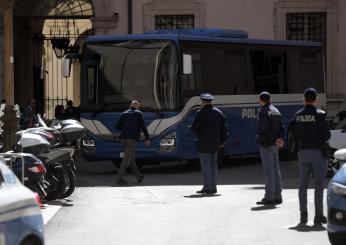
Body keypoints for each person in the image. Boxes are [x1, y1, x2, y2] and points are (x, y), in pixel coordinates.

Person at [289, 88, 331, 225]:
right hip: (318, 152)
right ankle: (318, 215)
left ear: (304, 99)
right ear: (316, 100)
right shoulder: (320, 115)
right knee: (319, 185)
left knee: (303, 185)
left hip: (303, 152)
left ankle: (303, 215)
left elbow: (293, 135)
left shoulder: (297, 115)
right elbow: (327, 135)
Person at [191, 93, 229, 195]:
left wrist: (191, 128)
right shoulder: (218, 112)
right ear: (211, 101)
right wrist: (223, 141)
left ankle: (207, 188)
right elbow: (224, 129)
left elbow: (195, 128)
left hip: (203, 144)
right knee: (213, 165)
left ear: (203, 102)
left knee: (205, 166)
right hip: (215, 144)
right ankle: (213, 188)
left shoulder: (201, 113)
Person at [256, 92, 284, 206]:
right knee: (276, 171)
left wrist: (269, 139)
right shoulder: (276, 110)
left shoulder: (263, 111)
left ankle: (269, 197)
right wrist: (279, 139)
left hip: (266, 144)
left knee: (269, 171)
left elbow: (265, 128)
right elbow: (282, 126)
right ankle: (278, 196)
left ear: (260, 100)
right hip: (275, 144)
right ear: (270, 99)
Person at [115, 100, 150, 185]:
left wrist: (126, 127)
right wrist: (147, 138)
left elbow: (118, 126)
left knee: (131, 159)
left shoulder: (123, 113)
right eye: (139, 106)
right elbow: (143, 126)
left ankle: (138, 176)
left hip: (123, 138)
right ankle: (119, 179)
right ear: (137, 106)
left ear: (130, 105)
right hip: (132, 139)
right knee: (126, 160)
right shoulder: (138, 113)